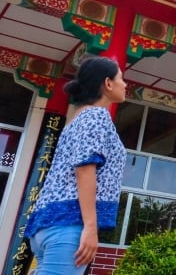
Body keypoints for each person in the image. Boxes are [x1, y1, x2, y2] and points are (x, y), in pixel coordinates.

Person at [24, 56, 127, 274]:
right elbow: (84, 170)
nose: (125, 84)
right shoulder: (97, 116)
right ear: (108, 83)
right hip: (69, 224)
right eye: (121, 78)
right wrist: (90, 226)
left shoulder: (79, 118)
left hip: (49, 224)